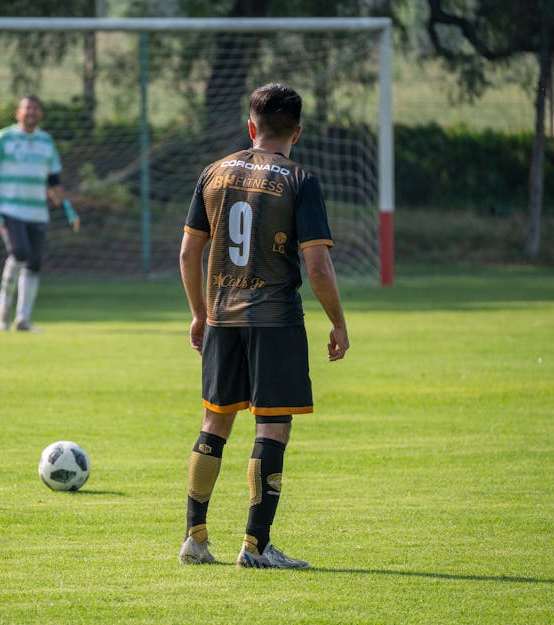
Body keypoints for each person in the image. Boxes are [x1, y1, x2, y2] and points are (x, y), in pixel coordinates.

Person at [177, 83, 350, 569]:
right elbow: (317, 266)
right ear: (297, 131)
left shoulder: (213, 173)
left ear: (251, 127)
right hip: (274, 320)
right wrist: (338, 323)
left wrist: (199, 313)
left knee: (215, 423)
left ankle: (195, 538)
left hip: (221, 318)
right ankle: (255, 547)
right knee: (271, 428)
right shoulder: (301, 179)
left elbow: (190, 252)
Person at [0, 94, 80, 332]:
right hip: (8, 208)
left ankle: (23, 319)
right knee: (19, 252)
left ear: (41, 114)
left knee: (34, 263)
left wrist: (67, 208)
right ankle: (3, 312)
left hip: (37, 211)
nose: (31, 112)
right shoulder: (3, 138)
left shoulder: (46, 142)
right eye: (27, 108)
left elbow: (53, 180)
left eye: (35, 108)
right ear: (17, 112)